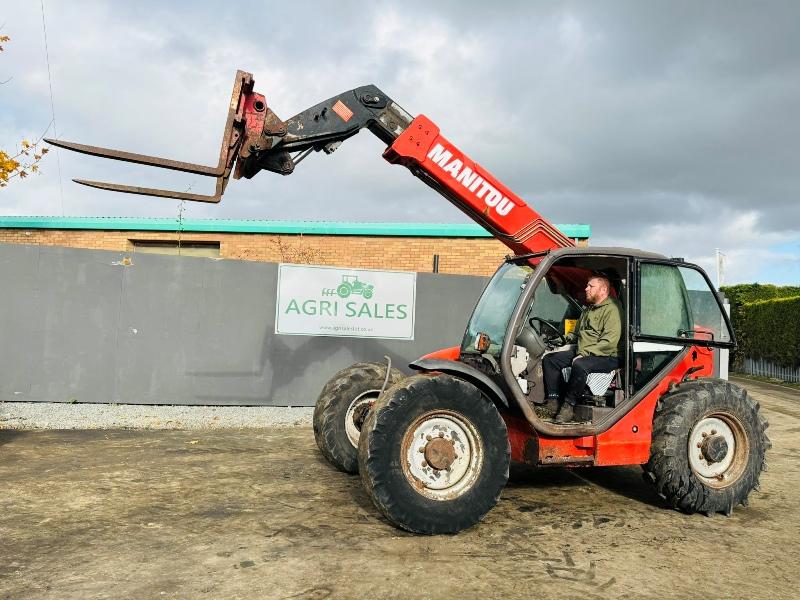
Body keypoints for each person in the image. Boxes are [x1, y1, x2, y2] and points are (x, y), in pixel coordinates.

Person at [542, 275, 623, 423]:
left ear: (603, 289)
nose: (586, 289)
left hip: (607, 356)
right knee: (550, 360)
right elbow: (576, 333)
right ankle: (553, 401)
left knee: (580, 365)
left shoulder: (613, 310)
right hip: (585, 352)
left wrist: (584, 354)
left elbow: (609, 342)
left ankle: (568, 407)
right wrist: (560, 339)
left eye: (590, 286)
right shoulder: (588, 310)